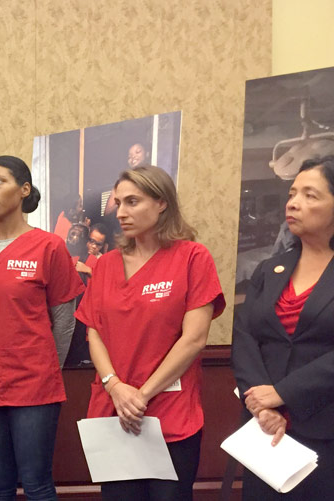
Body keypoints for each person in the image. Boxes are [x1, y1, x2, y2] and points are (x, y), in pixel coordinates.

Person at [75, 166, 225, 500]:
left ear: (161, 203)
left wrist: (140, 396)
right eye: (119, 203)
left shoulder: (192, 257)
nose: (122, 212)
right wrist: (115, 387)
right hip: (115, 412)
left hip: (168, 412)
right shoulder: (107, 264)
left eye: (132, 202)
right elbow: (93, 330)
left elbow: (194, 339)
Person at [0, 156, 84, 500]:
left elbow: (64, 320)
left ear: (24, 190)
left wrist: (47, 370)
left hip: (34, 385)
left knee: (37, 484)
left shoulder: (49, 246)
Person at [233, 156, 334, 499]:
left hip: (324, 429)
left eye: (310, 195)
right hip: (266, 430)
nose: (293, 202)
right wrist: (263, 404)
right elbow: (245, 334)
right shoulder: (269, 268)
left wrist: (284, 394)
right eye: (292, 193)